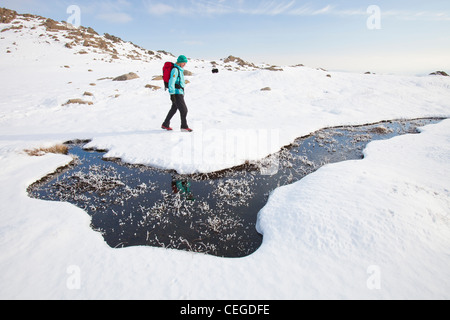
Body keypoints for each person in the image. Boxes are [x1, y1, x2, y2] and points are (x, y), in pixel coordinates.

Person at [162, 55, 193, 132]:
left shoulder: (179, 70)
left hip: (179, 92)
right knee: (184, 110)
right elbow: (171, 82)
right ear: (179, 62)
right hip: (176, 93)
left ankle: (165, 124)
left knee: (174, 109)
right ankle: (184, 126)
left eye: (185, 62)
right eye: (183, 62)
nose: (184, 64)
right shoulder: (175, 70)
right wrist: (172, 94)